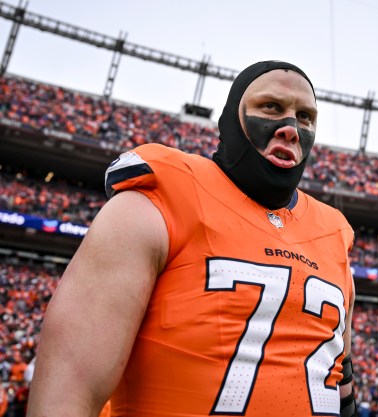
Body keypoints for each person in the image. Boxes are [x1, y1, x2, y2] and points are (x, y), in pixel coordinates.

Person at [26, 60, 356, 417]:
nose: (290, 128)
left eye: (305, 116)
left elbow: (341, 381)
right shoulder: (159, 199)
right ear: (231, 119)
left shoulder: (333, 233)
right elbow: (68, 394)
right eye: (271, 107)